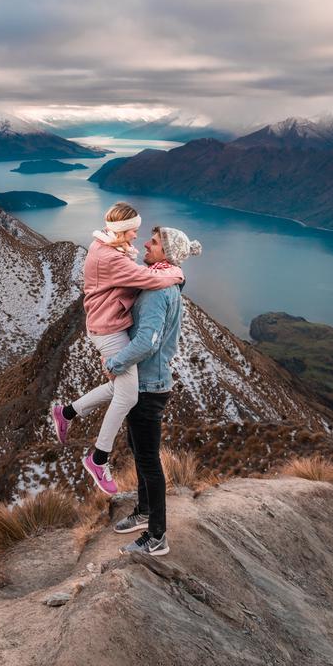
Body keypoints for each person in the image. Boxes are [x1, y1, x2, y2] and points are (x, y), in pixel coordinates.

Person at [51, 203, 184, 496]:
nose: (138, 236)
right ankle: (98, 460)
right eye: (134, 230)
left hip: (109, 325)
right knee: (128, 395)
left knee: (121, 388)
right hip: (110, 329)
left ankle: (68, 412)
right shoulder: (109, 256)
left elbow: (136, 274)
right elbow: (146, 279)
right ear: (122, 229)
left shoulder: (108, 248)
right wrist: (177, 275)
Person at [110, 226, 202, 557]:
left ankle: (157, 536)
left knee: (148, 459)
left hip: (148, 386)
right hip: (149, 383)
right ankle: (145, 512)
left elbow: (146, 341)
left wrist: (117, 362)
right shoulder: (164, 282)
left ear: (168, 253)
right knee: (138, 448)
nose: (147, 244)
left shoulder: (156, 292)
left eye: (155, 242)